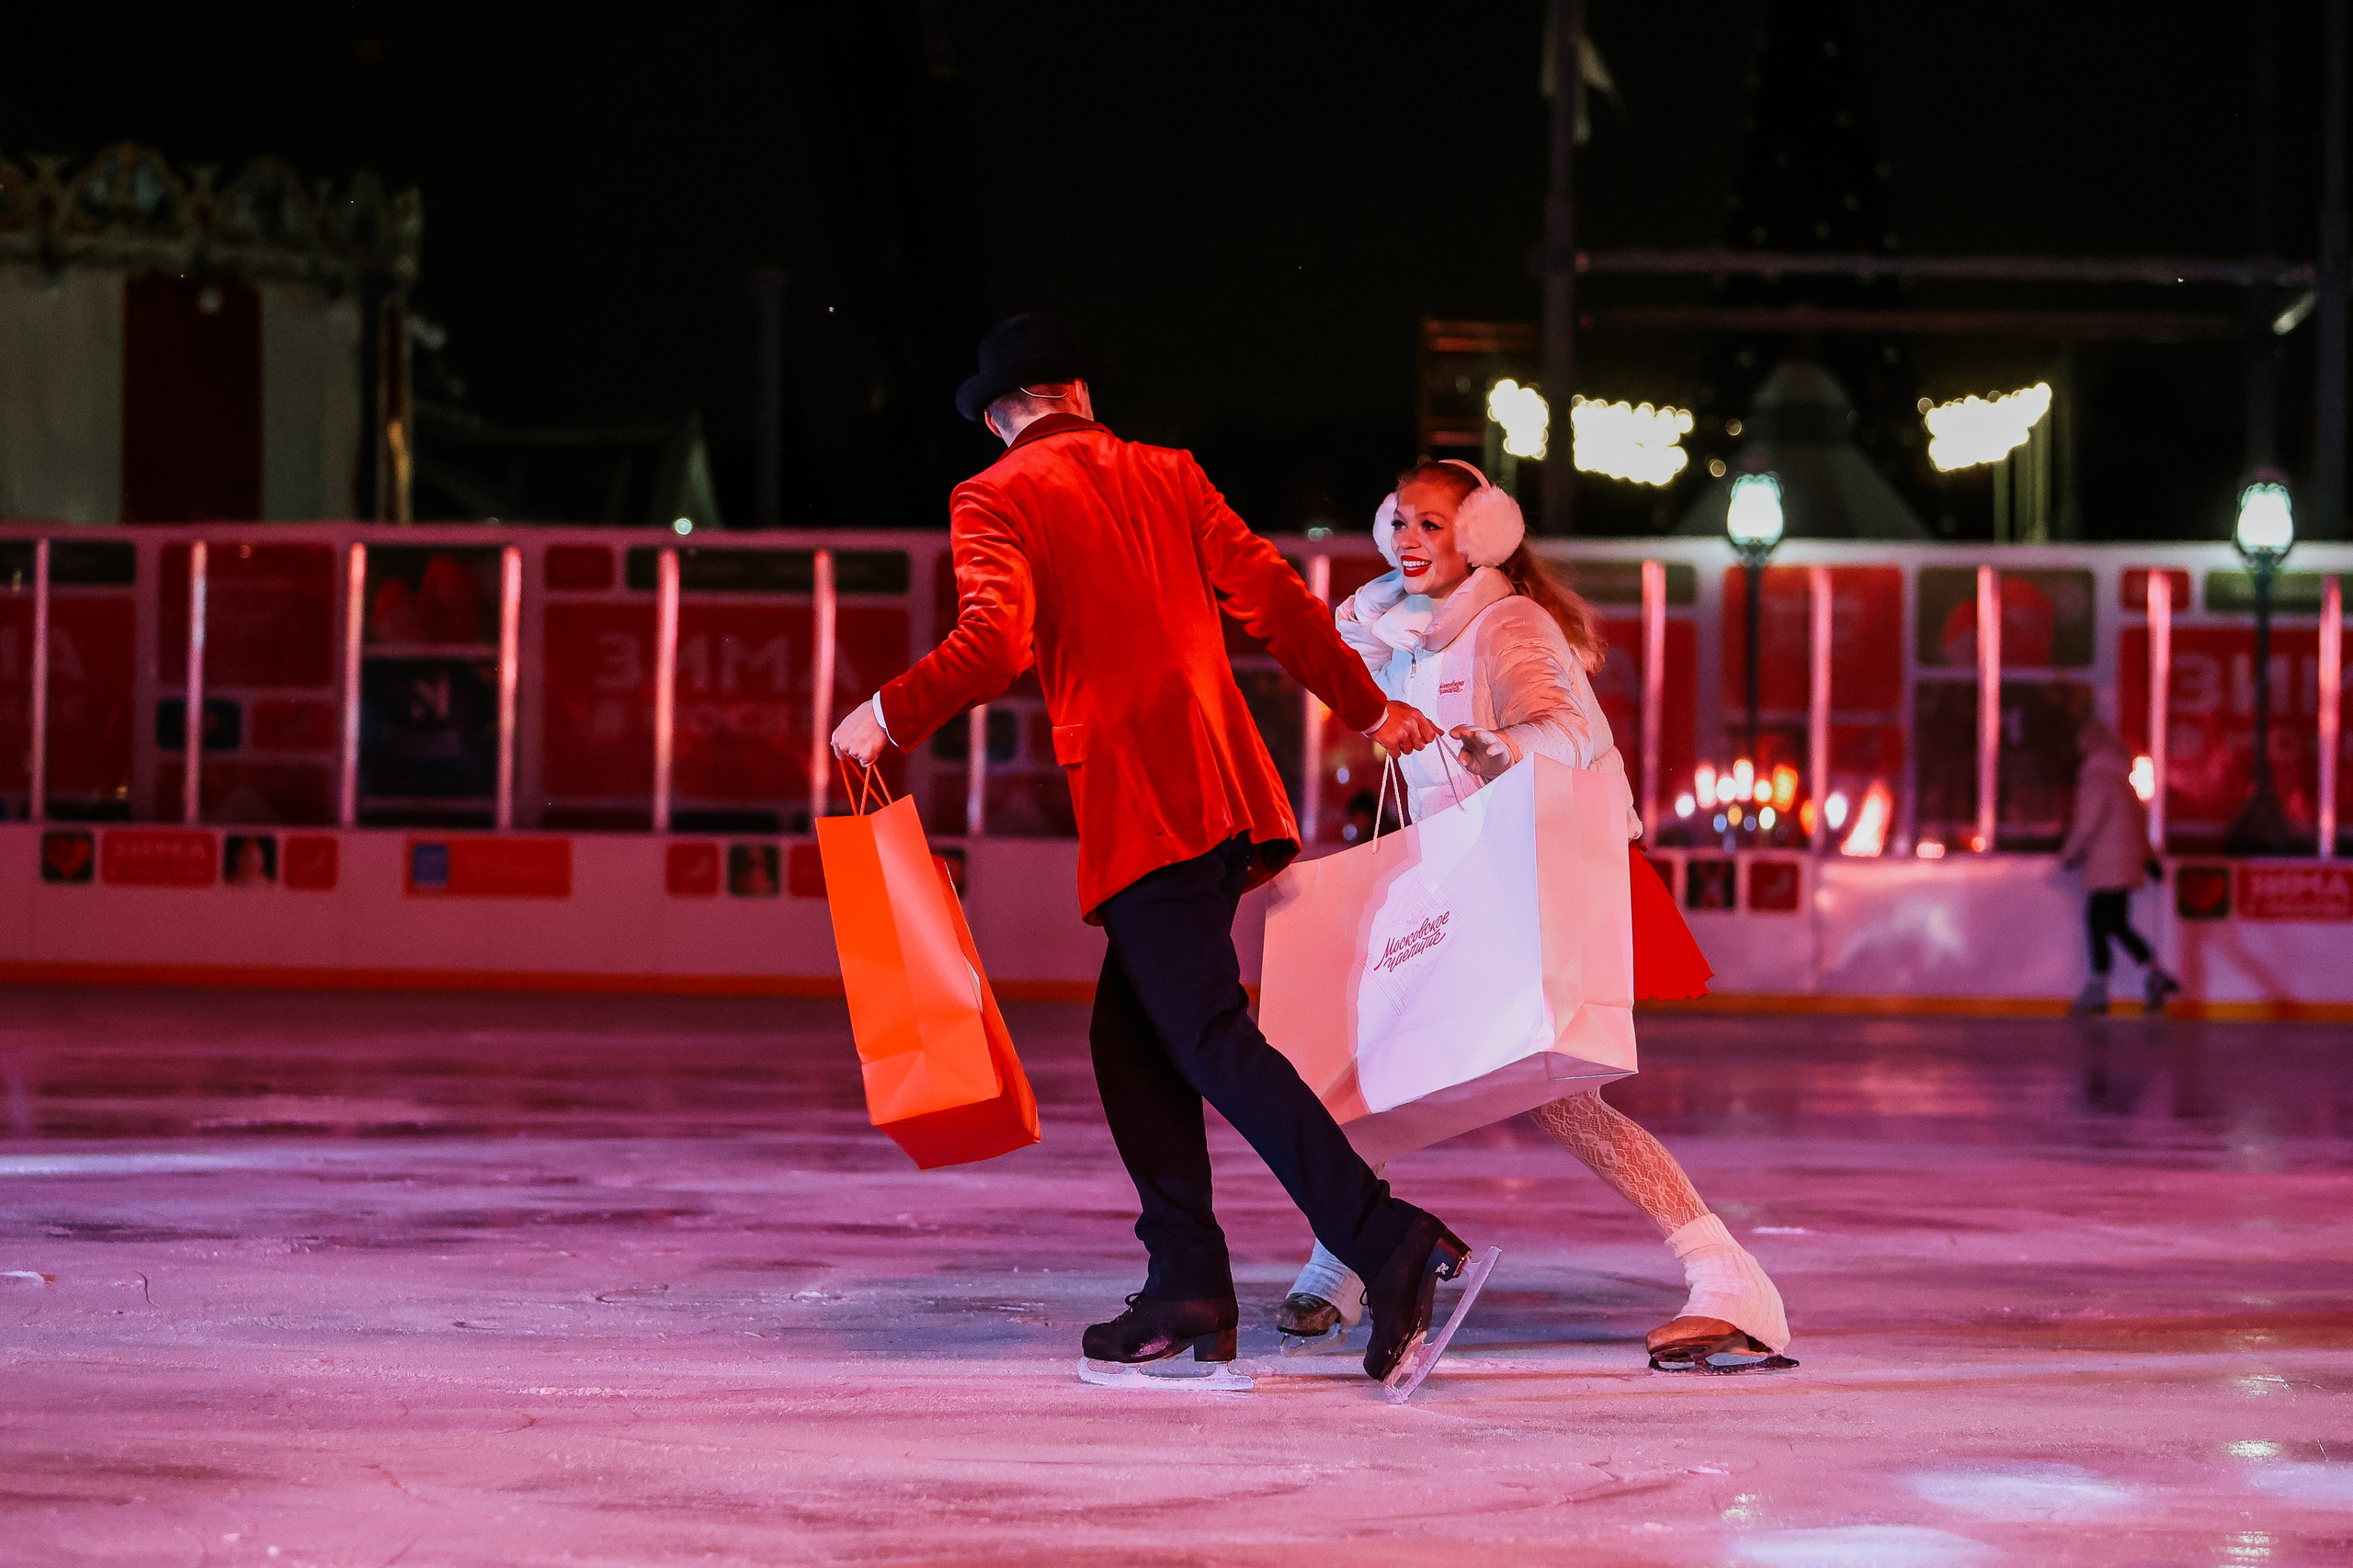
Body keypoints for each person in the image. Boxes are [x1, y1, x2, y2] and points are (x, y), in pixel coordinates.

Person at [829, 313, 1485, 1392]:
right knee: (1135, 1047)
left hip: (1141, 803)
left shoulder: (994, 493)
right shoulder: (1168, 471)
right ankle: (1186, 1282)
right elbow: (1275, 599)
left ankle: (1384, 1237)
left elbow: (993, 642)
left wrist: (885, 715)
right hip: (1222, 791)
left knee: (1211, 1038)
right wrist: (1366, 711)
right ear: (1077, 392)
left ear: (1001, 418)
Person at [1275, 459, 1792, 1373]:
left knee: (1552, 1094)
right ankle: (1351, 1247)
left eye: (1432, 526)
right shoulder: (1409, 631)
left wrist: (1499, 745)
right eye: (1399, 520)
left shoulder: (1506, 622)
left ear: (1482, 534)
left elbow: (1563, 729)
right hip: (1454, 880)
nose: (1406, 540)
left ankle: (1727, 1273)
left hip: (1529, 877)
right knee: (1367, 1066)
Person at [2060, 718, 2181, 1017]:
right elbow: (2139, 825)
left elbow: (2088, 822)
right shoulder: (2121, 779)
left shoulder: (2096, 779)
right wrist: (2148, 858)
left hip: (2106, 866)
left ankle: (2102, 988)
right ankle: (2152, 975)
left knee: (2100, 924)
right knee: (2114, 924)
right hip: (2124, 866)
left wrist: (2069, 855)